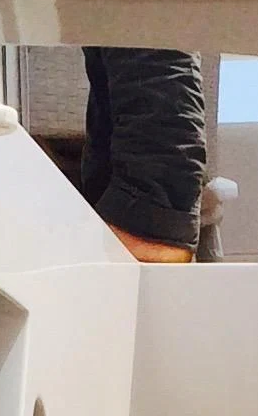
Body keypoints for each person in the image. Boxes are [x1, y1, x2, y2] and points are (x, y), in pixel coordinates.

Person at [79, 48, 207, 262]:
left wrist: (152, 204)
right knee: (112, 36)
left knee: (137, 28)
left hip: (145, 222)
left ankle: (156, 207)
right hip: (143, 207)